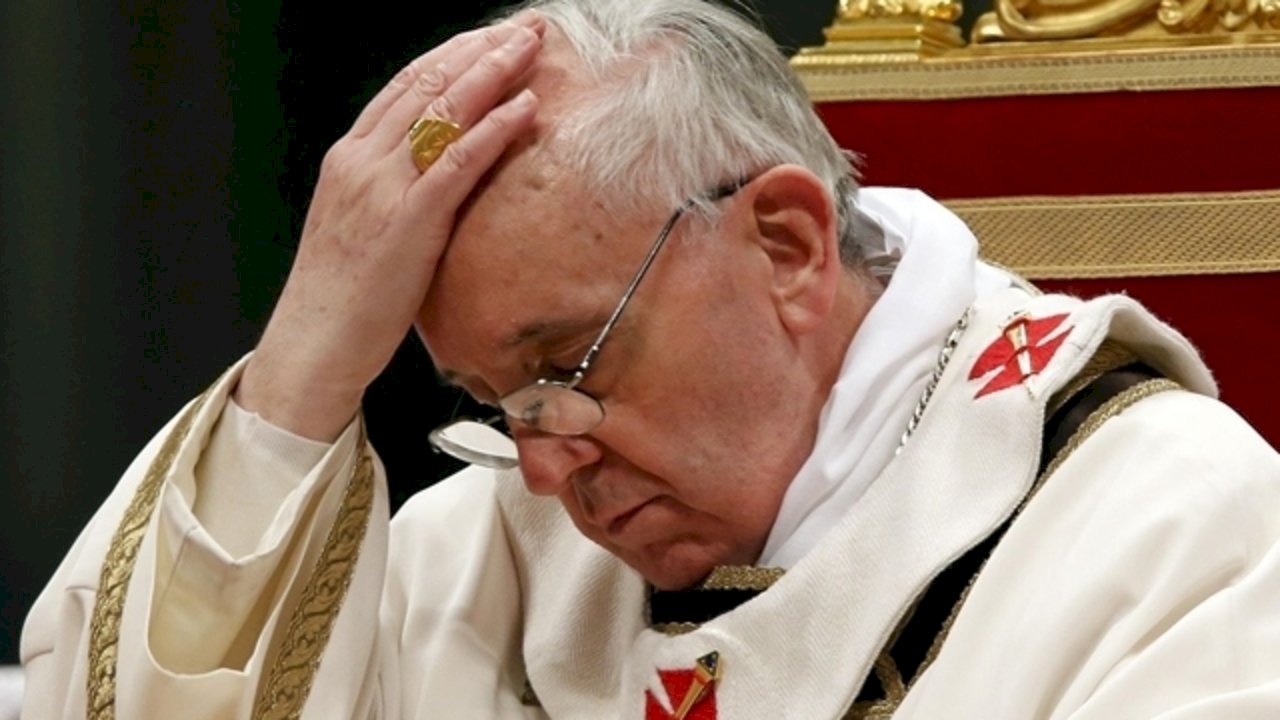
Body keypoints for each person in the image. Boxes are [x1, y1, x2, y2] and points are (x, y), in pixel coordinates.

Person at [20, 0, 1280, 718]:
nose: (544, 467)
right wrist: (305, 363)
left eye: (566, 367)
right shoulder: (487, 555)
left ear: (785, 243)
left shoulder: (1168, 530)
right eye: (492, 406)